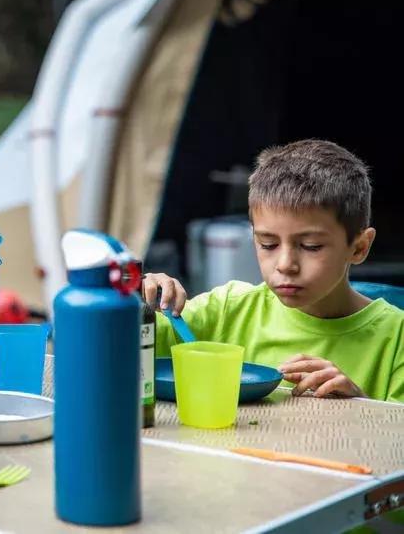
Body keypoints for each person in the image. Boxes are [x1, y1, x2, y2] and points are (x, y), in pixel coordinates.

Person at [144, 139, 404, 402]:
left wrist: (361, 402)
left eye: (311, 246)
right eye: (268, 244)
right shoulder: (227, 309)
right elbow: (119, 349)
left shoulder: (397, 339)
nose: (284, 264)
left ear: (359, 248)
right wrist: (133, 300)